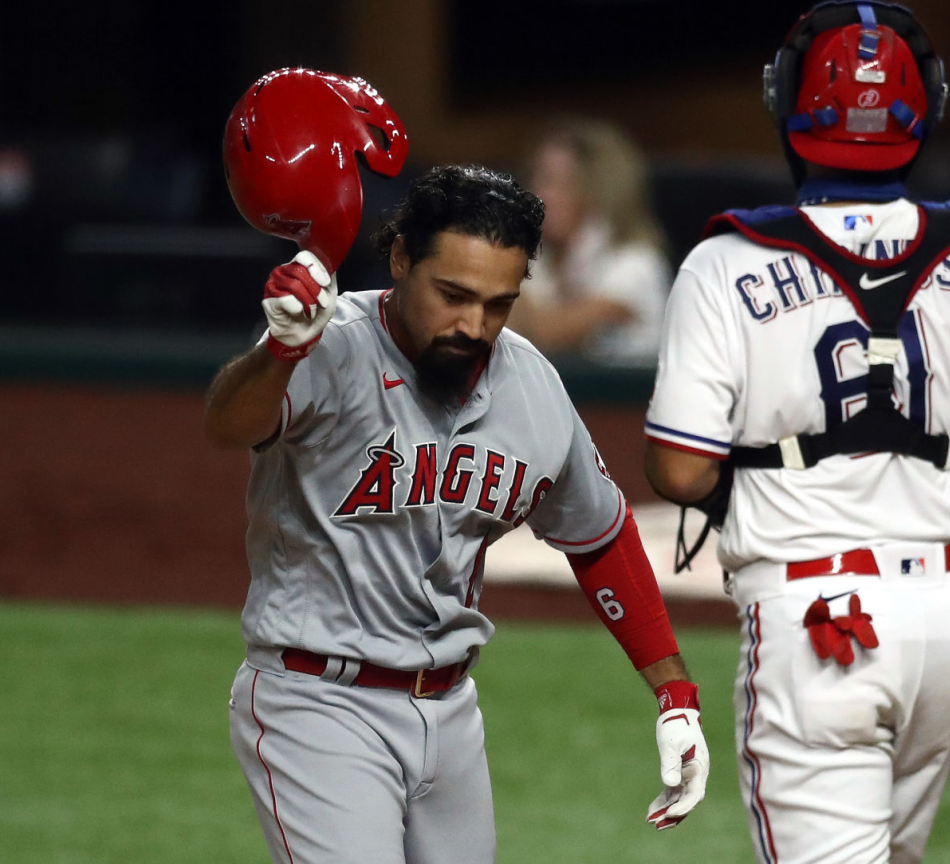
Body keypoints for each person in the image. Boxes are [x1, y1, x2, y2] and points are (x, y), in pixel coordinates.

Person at [208, 71, 708, 864]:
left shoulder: (530, 384)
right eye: (453, 294)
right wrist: (278, 351)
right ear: (400, 257)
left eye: (499, 303)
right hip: (317, 705)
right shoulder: (329, 342)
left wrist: (674, 692)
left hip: (451, 715)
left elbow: (599, 536)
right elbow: (229, 424)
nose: (474, 324)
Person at [642, 3, 950, 863]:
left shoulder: (729, 262)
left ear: (787, 105)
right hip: (947, 619)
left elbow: (682, 470)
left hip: (819, 620)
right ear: (927, 109)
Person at [504, 118, 672, 365]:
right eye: (537, 179)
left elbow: (544, 333)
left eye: (558, 183)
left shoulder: (637, 266)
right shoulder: (542, 259)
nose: (538, 194)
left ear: (599, 191)